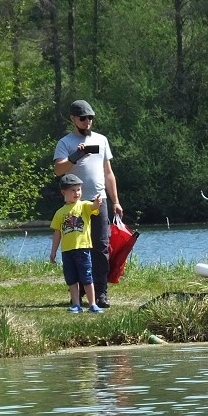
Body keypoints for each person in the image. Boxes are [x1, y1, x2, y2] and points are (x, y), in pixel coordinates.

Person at [53, 99, 123, 308]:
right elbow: (58, 170)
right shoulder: (65, 143)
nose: (87, 122)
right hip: (75, 204)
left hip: (97, 201)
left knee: (100, 247)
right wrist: (77, 155)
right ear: (73, 119)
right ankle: (79, 293)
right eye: (83, 118)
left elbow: (108, 173)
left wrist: (115, 201)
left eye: (90, 118)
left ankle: (101, 293)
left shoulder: (101, 140)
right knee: (76, 248)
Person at [48, 173, 106, 314]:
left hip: (83, 248)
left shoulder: (84, 205)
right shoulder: (60, 212)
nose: (77, 193)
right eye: (73, 190)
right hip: (67, 251)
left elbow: (93, 207)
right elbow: (57, 233)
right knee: (71, 278)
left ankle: (92, 304)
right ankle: (76, 304)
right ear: (64, 192)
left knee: (86, 277)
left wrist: (97, 203)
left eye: (79, 189)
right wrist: (53, 251)